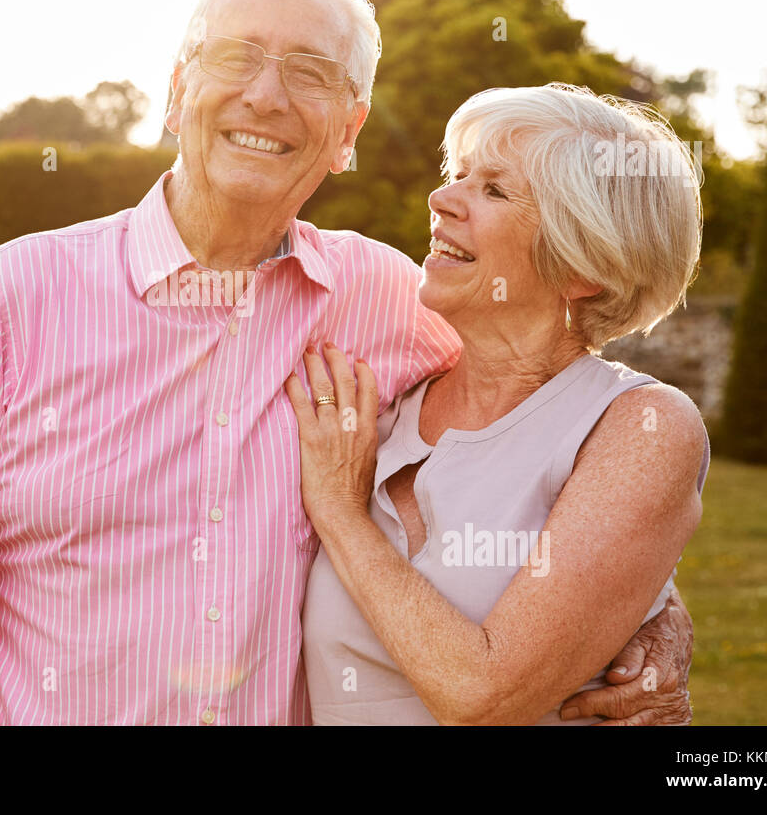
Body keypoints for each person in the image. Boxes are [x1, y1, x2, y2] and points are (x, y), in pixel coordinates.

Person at [0, 0, 695, 725]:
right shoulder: (16, 293)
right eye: (236, 58)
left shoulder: (390, 300)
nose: (265, 96)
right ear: (178, 89)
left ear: (348, 130)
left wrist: (646, 614)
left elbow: (552, 424)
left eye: (310, 74)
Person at [290, 83, 708, 724]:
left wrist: (342, 516)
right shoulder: (386, 385)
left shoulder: (641, 426)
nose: (439, 199)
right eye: (457, 175)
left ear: (582, 264)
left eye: (493, 189)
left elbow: (483, 696)